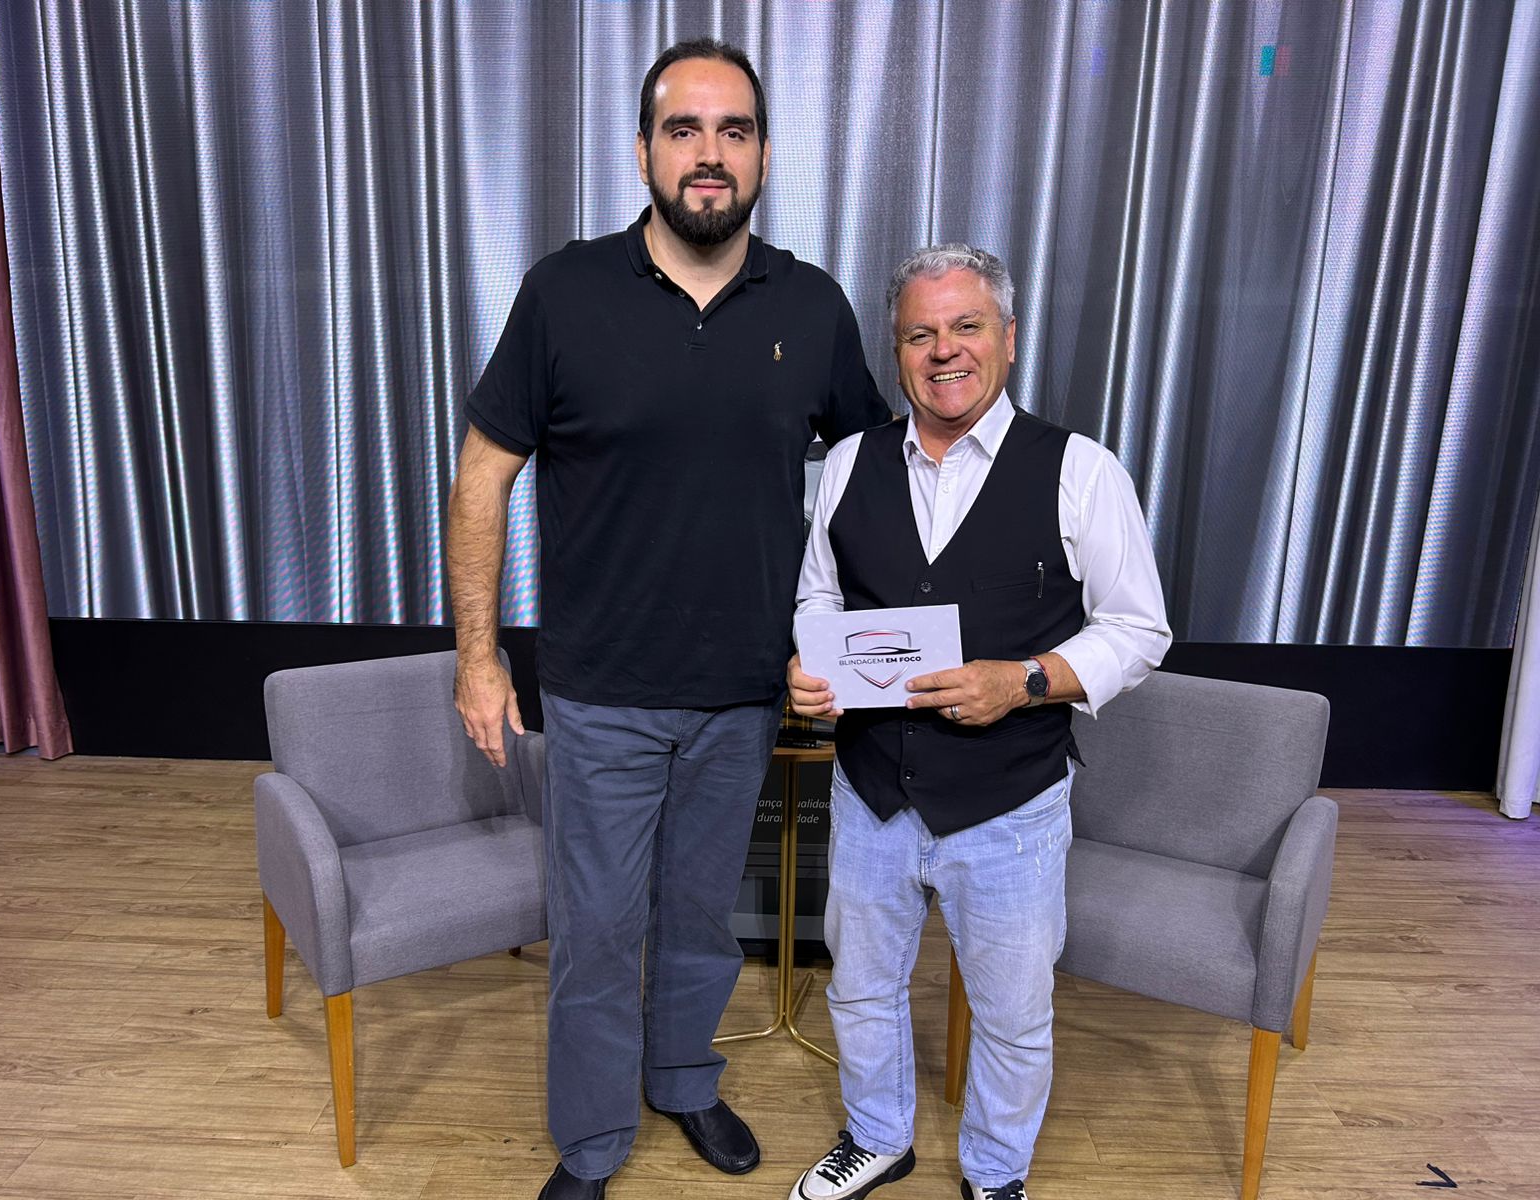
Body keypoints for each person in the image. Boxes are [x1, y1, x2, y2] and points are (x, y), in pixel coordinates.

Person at [446, 38, 889, 1200]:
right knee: (596, 931)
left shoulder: (811, 305)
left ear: (763, 156)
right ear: (642, 150)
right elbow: (483, 473)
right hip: (601, 687)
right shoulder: (564, 292)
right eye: (682, 130)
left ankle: (684, 1079)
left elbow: (872, 488)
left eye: (732, 131)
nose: (708, 154)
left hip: (742, 692)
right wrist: (479, 659)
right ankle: (592, 1143)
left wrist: (846, 649)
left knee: (699, 918)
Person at [786, 244, 1171, 1200]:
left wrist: (1030, 680)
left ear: (1008, 337)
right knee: (860, 988)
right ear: (897, 350)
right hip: (870, 789)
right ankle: (878, 1138)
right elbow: (819, 597)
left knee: (1012, 1014)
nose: (943, 351)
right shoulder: (847, 463)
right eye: (920, 334)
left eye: (966, 327)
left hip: (1011, 805)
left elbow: (1139, 629)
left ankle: (997, 1175)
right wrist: (812, 664)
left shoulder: (1081, 471)